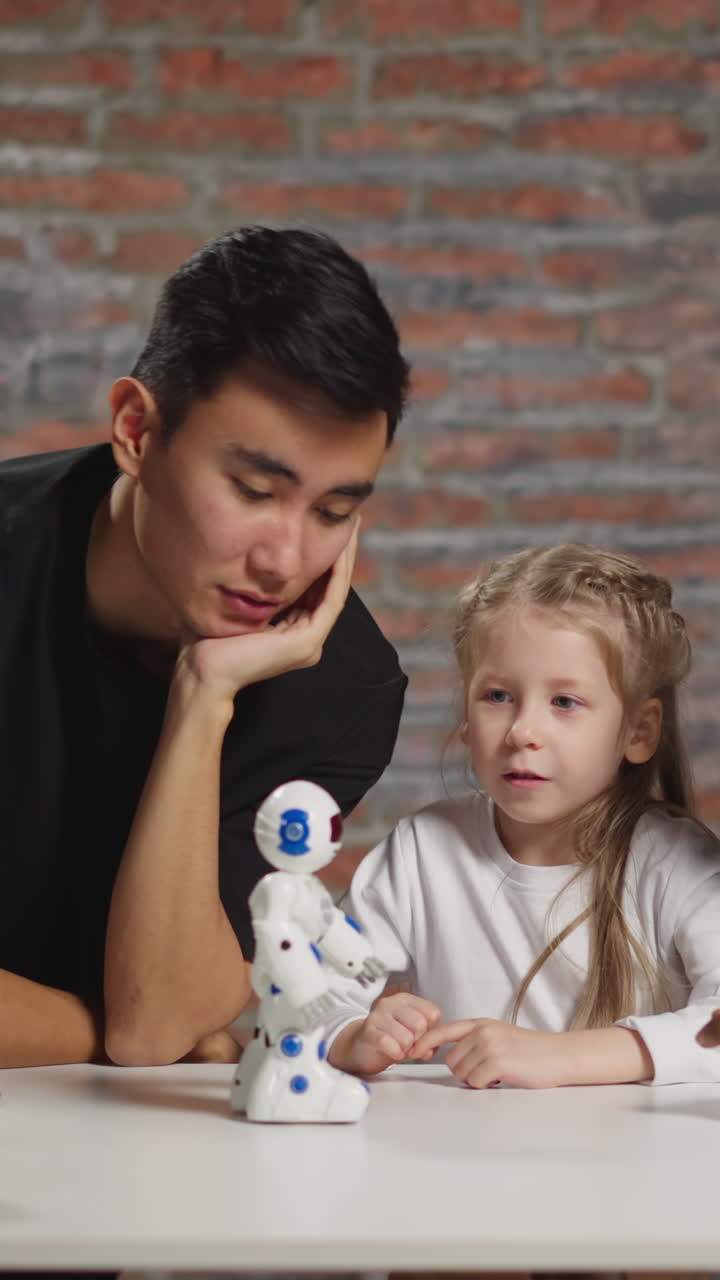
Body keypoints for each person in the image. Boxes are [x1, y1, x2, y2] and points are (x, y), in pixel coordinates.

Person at [0, 225, 410, 1069]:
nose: (285, 561)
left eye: (333, 512)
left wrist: (204, 699)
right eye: (255, 491)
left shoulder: (342, 690)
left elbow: (154, 1023)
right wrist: (99, 1033)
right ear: (137, 432)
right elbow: (159, 1042)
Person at [326, 544, 720, 1088]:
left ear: (639, 731)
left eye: (564, 702)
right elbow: (308, 995)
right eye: (498, 696)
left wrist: (561, 1059)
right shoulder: (423, 852)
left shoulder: (675, 866)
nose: (521, 731)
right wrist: (353, 1034)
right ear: (466, 714)